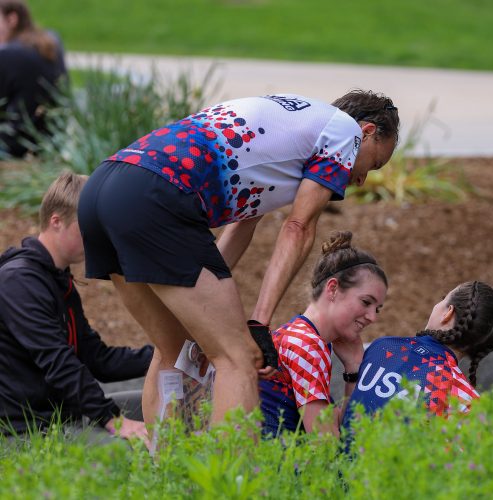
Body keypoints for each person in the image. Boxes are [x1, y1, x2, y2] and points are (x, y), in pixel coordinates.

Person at [77, 89, 400, 427]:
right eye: (374, 163)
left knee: (174, 348)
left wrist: (203, 306)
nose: (362, 179)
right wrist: (258, 325)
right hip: (156, 193)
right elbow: (299, 227)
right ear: (366, 132)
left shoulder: (295, 126)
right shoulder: (344, 132)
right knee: (240, 358)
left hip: (106, 186)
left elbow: (240, 227)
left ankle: (163, 469)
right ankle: (233, 478)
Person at [0, 171, 153, 441]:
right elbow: (59, 363)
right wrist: (113, 420)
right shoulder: (19, 281)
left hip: (66, 413)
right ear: (56, 221)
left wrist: (164, 355)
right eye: (87, 230)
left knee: (166, 401)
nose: (96, 240)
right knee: (126, 451)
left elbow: (96, 358)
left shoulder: (58, 279)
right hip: (29, 430)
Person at [259, 231, 388, 437]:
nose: (373, 317)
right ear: (333, 289)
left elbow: (337, 424)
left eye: (377, 309)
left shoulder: (299, 334)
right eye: (366, 302)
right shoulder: (306, 344)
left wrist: (354, 368)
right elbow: (326, 444)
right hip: (272, 464)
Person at [342, 281, 493, 433]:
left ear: (448, 313)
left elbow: (349, 420)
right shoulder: (466, 401)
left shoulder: (382, 347)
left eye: (444, 298)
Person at [0, 0, 67, 158]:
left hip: (14, 147)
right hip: (51, 142)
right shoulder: (52, 40)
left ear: (11, 20)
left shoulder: (9, 54)